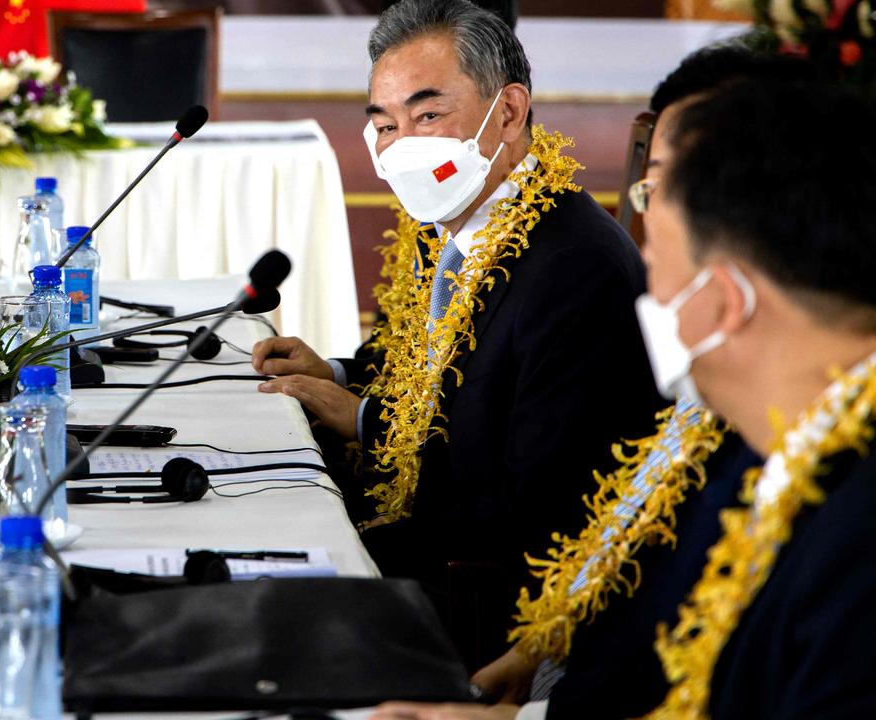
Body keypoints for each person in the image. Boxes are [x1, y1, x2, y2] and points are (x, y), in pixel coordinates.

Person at [375, 74, 876, 720]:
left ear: (724, 304)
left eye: (658, 273)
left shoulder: (853, 539)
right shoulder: (771, 452)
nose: (645, 301)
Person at [251, 0, 661, 639]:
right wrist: (332, 370)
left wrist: (362, 421)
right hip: (427, 533)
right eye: (385, 126)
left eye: (429, 115)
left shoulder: (573, 267)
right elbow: (416, 359)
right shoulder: (449, 216)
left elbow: (532, 505)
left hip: (488, 592)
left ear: (509, 111)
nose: (402, 147)